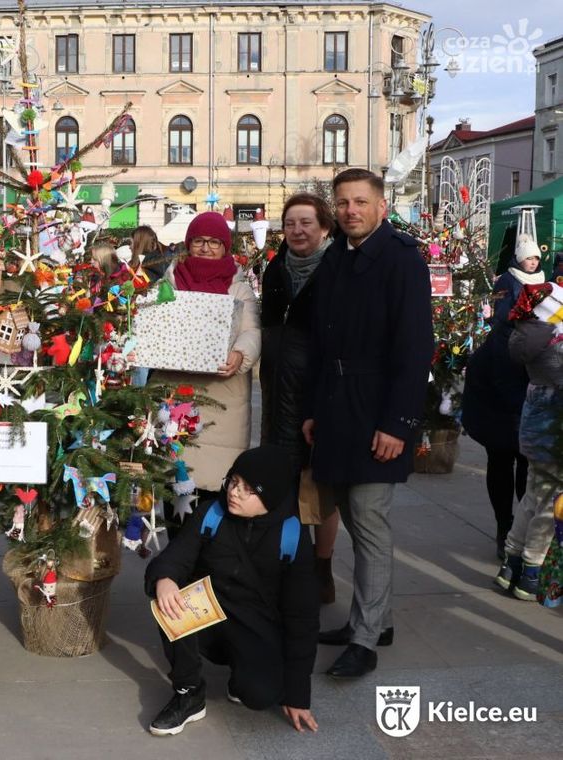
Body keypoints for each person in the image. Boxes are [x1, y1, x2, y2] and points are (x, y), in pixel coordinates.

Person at [302, 168, 433, 678]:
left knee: (370, 522)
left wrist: (398, 422)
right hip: (337, 408)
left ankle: (364, 639)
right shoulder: (336, 257)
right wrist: (315, 409)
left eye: (360, 201)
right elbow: (320, 342)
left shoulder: (402, 260)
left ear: (381, 206)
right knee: (357, 522)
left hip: (379, 411)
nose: (350, 210)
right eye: (343, 203)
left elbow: (414, 346)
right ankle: (378, 620)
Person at [144, 445, 319, 736]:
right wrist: (164, 579)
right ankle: (189, 693)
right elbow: (174, 558)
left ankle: (242, 675)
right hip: (209, 611)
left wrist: (298, 694)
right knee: (170, 603)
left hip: (257, 623)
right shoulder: (212, 513)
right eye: (233, 482)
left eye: (248, 489)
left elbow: (303, 619)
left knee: (260, 696)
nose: (234, 492)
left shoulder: (292, 536)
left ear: (270, 495)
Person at [259, 193, 341, 604]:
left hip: (315, 390)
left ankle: (322, 568)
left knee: (318, 488)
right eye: (290, 223)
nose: (297, 230)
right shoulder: (275, 268)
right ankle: (292, 565)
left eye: (306, 222)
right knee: (283, 480)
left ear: (325, 227)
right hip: (277, 389)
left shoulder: (337, 269)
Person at [159, 211, 261, 506]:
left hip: (223, 399)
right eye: (199, 241)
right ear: (188, 244)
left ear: (225, 247)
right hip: (177, 394)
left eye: (214, 242)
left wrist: (240, 354)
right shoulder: (170, 283)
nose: (206, 248)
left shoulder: (238, 286)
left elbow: (252, 331)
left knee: (214, 495)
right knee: (176, 485)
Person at [460, 236, 542, 558]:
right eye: (529, 258)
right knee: (501, 459)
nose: (533, 263)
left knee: (525, 463)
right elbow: (501, 322)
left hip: (521, 394)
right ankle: (505, 526)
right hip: (496, 399)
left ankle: (519, 528)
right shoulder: (508, 293)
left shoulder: (542, 293)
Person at [494, 282, 563, 601]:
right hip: (555, 432)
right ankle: (531, 573)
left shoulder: (529, 334)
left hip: (534, 428)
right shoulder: (554, 341)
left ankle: (511, 563)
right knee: (550, 505)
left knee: (533, 495)